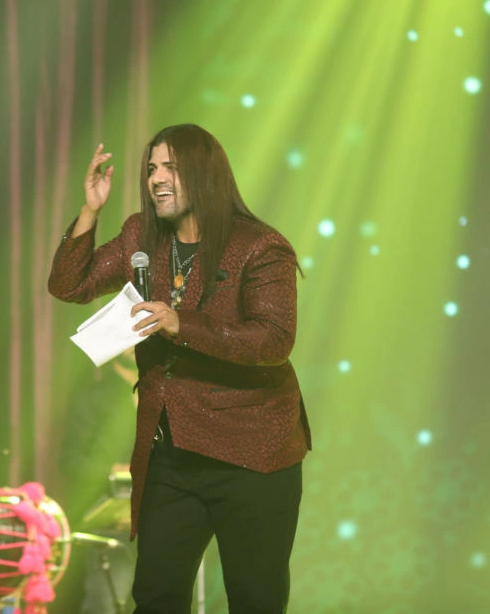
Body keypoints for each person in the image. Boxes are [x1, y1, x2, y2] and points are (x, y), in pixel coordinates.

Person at [49, 124, 312, 613]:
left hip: (252, 453)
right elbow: (69, 285)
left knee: (255, 599)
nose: (156, 178)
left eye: (170, 167)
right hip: (171, 453)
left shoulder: (260, 246)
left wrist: (179, 323)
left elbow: (274, 340)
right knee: (156, 597)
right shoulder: (141, 236)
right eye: (151, 168)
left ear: (204, 174)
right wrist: (90, 211)